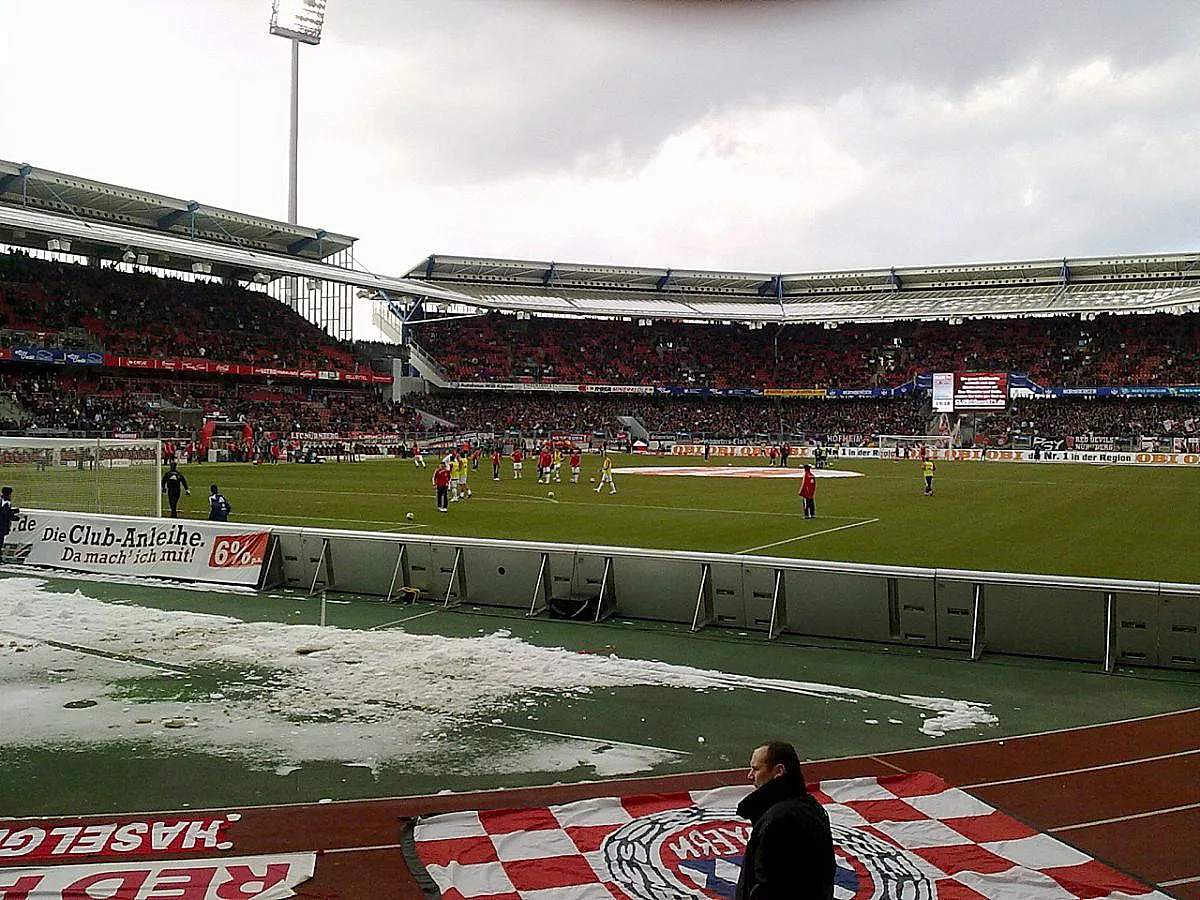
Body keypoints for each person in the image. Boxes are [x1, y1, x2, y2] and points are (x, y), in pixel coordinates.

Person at [735, 740, 835, 900]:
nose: (750, 776)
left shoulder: (775, 821)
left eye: (756, 769)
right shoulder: (813, 808)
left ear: (779, 771)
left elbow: (768, 887)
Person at [0, 486, 20, 558]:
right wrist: (14, 517)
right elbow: (5, 512)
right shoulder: (6, 501)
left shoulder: (1, 499)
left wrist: (14, 511)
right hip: (2, 525)